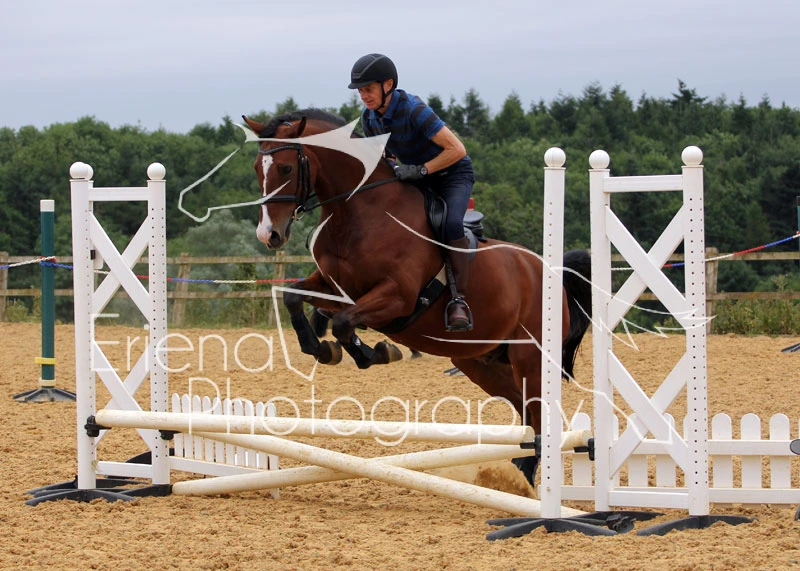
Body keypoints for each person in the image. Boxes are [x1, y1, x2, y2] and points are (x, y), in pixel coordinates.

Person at [348, 53, 475, 332]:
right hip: (418, 176)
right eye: (360, 91)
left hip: (452, 175)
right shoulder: (370, 118)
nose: (363, 96)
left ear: (388, 85)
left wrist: (421, 170)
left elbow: (457, 149)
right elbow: (385, 158)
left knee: (450, 224)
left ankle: (459, 300)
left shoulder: (414, 110)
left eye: (368, 89)